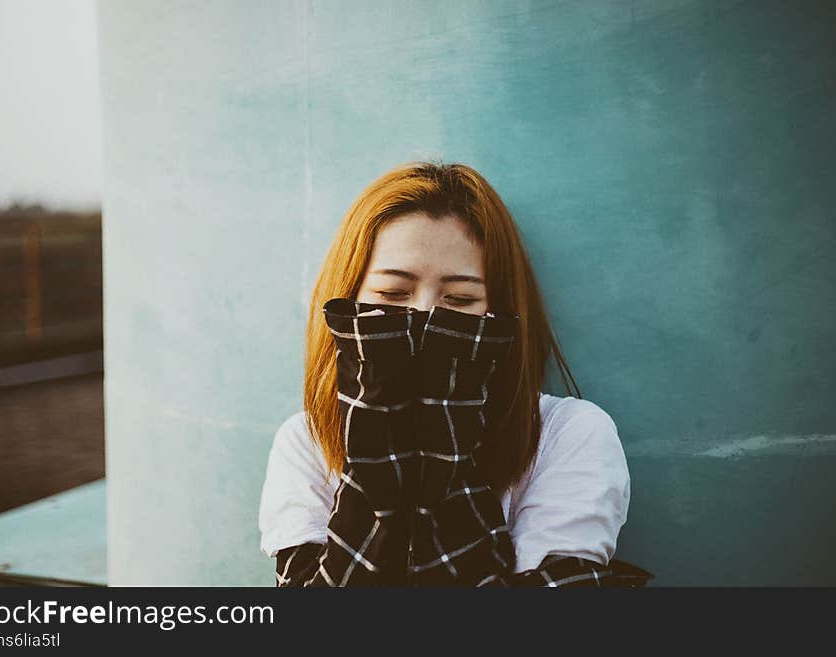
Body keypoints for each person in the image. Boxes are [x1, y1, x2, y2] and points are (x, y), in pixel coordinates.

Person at [258, 160, 653, 587]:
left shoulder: (570, 433)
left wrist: (442, 430)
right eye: (393, 293)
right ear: (350, 294)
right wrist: (379, 437)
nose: (424, 317)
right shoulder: (307, 443)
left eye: (460, 299)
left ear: (498, 312)